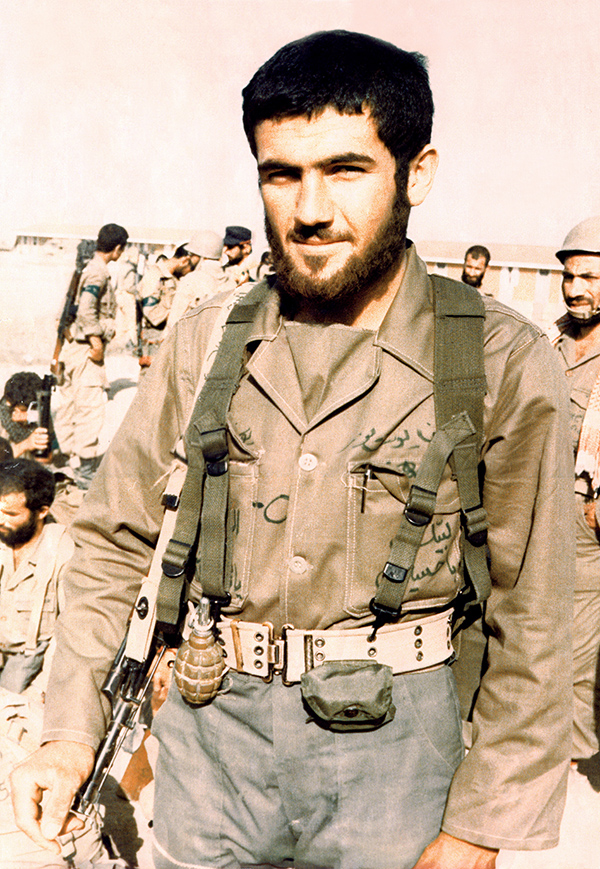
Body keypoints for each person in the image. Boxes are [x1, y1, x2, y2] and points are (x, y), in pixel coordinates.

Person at [11, 31, 573, 869]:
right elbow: (111, 541)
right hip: (210, 750)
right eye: (282, 174)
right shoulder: (209, 338)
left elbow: (534, 617)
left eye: (345, 169)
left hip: (395, 761)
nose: (310, 209)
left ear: (416, 173)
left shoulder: (496, 358)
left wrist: (480, 825)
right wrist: (67, 733)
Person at [549, 216, 600, 775]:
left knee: (581, 645)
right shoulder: (549, 341)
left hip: (588, 518)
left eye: (589, 277)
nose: (575, 288)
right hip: (537, 507)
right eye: (569, 276)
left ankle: (573, 752)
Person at [53, 223, 129, 490]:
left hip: (73, 347)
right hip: (86, 349)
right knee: (90, 409)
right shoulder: (97, 272)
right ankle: (85, 471)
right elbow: (86, 309)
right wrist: (96, 342)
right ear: (117, 248)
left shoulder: (84, 268)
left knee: (69, 405)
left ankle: (65, 460)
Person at [0, 459, 73, 694]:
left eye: (11, 513)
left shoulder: (62, 552)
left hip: (31, 663)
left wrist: (43, 689)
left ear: (42, 511)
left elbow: (67, 633)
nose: (0, 519)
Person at [137, 241, 201, 369]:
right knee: (152, 378)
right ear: (184, 261)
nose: (192, 272)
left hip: (169, 335)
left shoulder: (175, 278)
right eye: (192, 268)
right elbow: (152, 313)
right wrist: (179, 312)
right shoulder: (154, 275)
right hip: (155, 338)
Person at [165, 231, 228, 330]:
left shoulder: (191, 280)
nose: (189, 258)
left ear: (200, 256)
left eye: (192, 254)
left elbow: (174, 323)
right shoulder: (230, 281)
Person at [0, 372, 56, 463]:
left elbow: (46, 460)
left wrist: (41, 446)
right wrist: (26, 444)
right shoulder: (3, 417)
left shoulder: (40, 414)